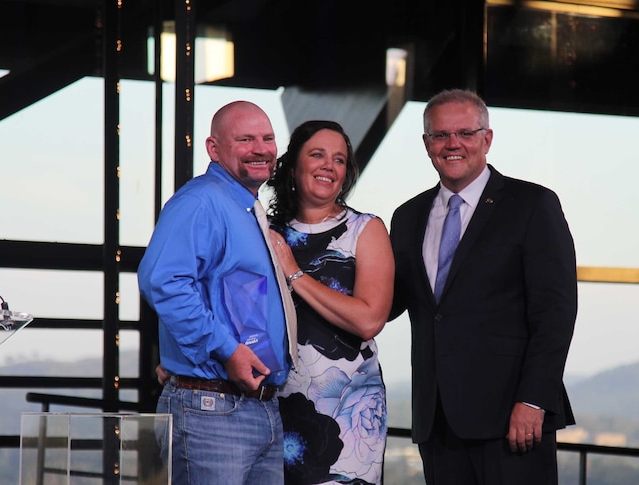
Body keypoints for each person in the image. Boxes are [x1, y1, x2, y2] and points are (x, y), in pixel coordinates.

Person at [388, 89, 578, 485]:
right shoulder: (407, 217)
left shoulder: (532, 205)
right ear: (426, 145)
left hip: (512, 421)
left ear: (487, 139)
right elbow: (387, 303)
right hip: (437, 422)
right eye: (440, 135)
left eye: (465, 133)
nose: (452, 144)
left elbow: (555, 313)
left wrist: (533, 399)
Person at [138, 100, 297, 484]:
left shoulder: (244, 208)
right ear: (214, 149)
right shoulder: (202, 201)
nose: (261, 148)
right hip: (212, 408)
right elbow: (161, 279)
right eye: (245, 139)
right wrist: (224, 350)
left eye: (268, 138)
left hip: (258, 408)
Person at [264, 120, 395, 485]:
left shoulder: (366, 230)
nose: (328, 165)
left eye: (339, 159)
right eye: (317, 154)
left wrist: (295, 274)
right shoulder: (266, 232)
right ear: (293, 166)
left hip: (347, 415)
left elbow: (369, 320)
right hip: (273, 409)